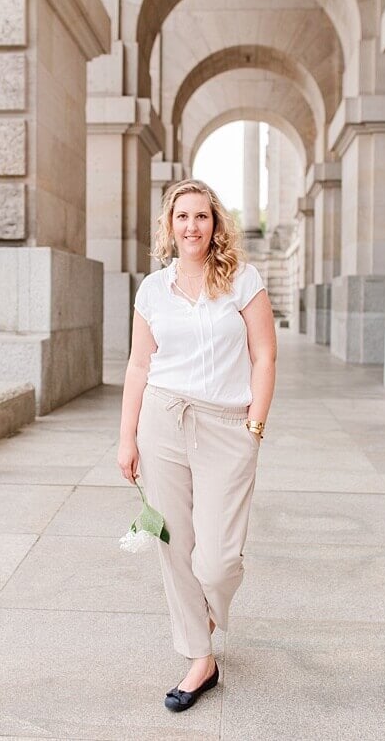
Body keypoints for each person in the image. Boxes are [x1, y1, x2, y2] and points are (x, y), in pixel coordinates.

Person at [117, 178, 277, 712]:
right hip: (162, 422)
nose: (192, 226)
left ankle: (207, 614)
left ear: (215, 224)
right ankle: (199, 658)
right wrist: (127, 438)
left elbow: (264, 356)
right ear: (169, 226)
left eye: (202, 217)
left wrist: (254, 426)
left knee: (218, 560)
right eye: (182, 217)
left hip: (228, 427)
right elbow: (139, 365)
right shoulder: (152, 290)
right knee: (174, 546)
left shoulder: (243, 280)